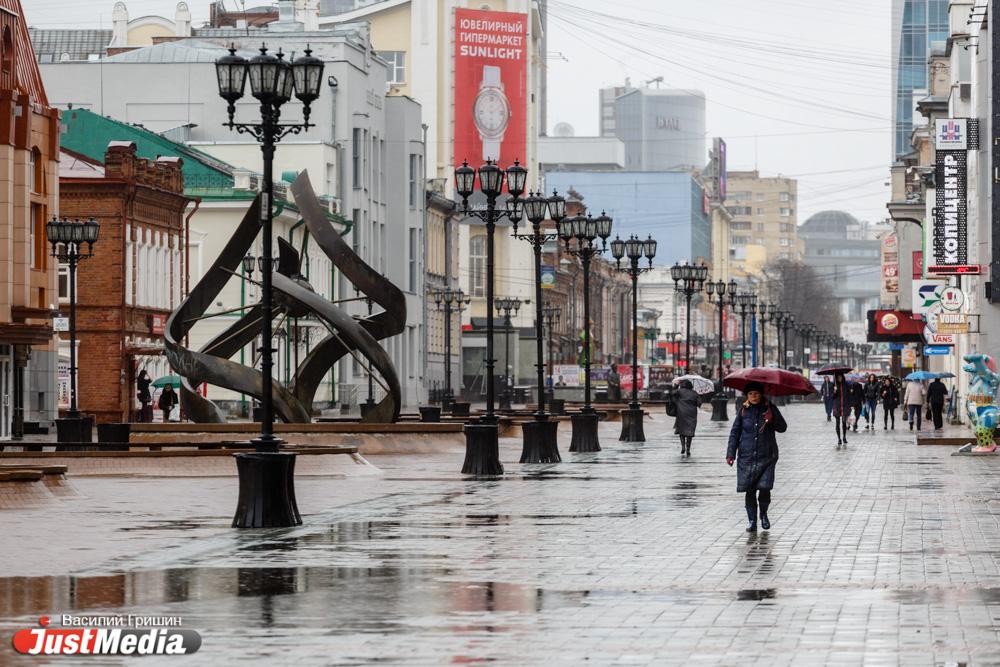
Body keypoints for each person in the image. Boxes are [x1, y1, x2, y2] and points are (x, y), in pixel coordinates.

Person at [726, 381, 786, 532]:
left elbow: (782, 428)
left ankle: (763, 515)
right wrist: (730, 453)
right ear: (747, 396)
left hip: (767, 455)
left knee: (765, 488)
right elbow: (735, 433)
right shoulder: (743, 410)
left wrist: (772, 419)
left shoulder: (770, 408)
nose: (754, 396)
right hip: (747, 457)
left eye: (757, 394)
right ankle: (752, 521)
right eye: (751, 394)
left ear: (761, 395)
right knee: (750, 489)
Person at [673, 379, 700, 457]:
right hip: (692, 414)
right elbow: (699, 403)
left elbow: (672, 393)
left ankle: (683, 447)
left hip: (681, 412)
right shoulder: (695, 393)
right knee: (690, 432)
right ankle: (688, 448)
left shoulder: (680, 391)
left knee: (681, 431)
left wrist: (676, 386)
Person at [831, 373, 850, 447]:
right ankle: (839, 438)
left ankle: (844, 437)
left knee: (844, 422)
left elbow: (849, 394)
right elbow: (832, 397)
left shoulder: (846, 385)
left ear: (842, 377)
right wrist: (835, 391)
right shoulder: (834, 385)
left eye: (841, 377)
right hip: (837, 406)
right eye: (838, 377)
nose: (840, 379)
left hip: (845, 406)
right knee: (837, 423)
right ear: (836, 378)